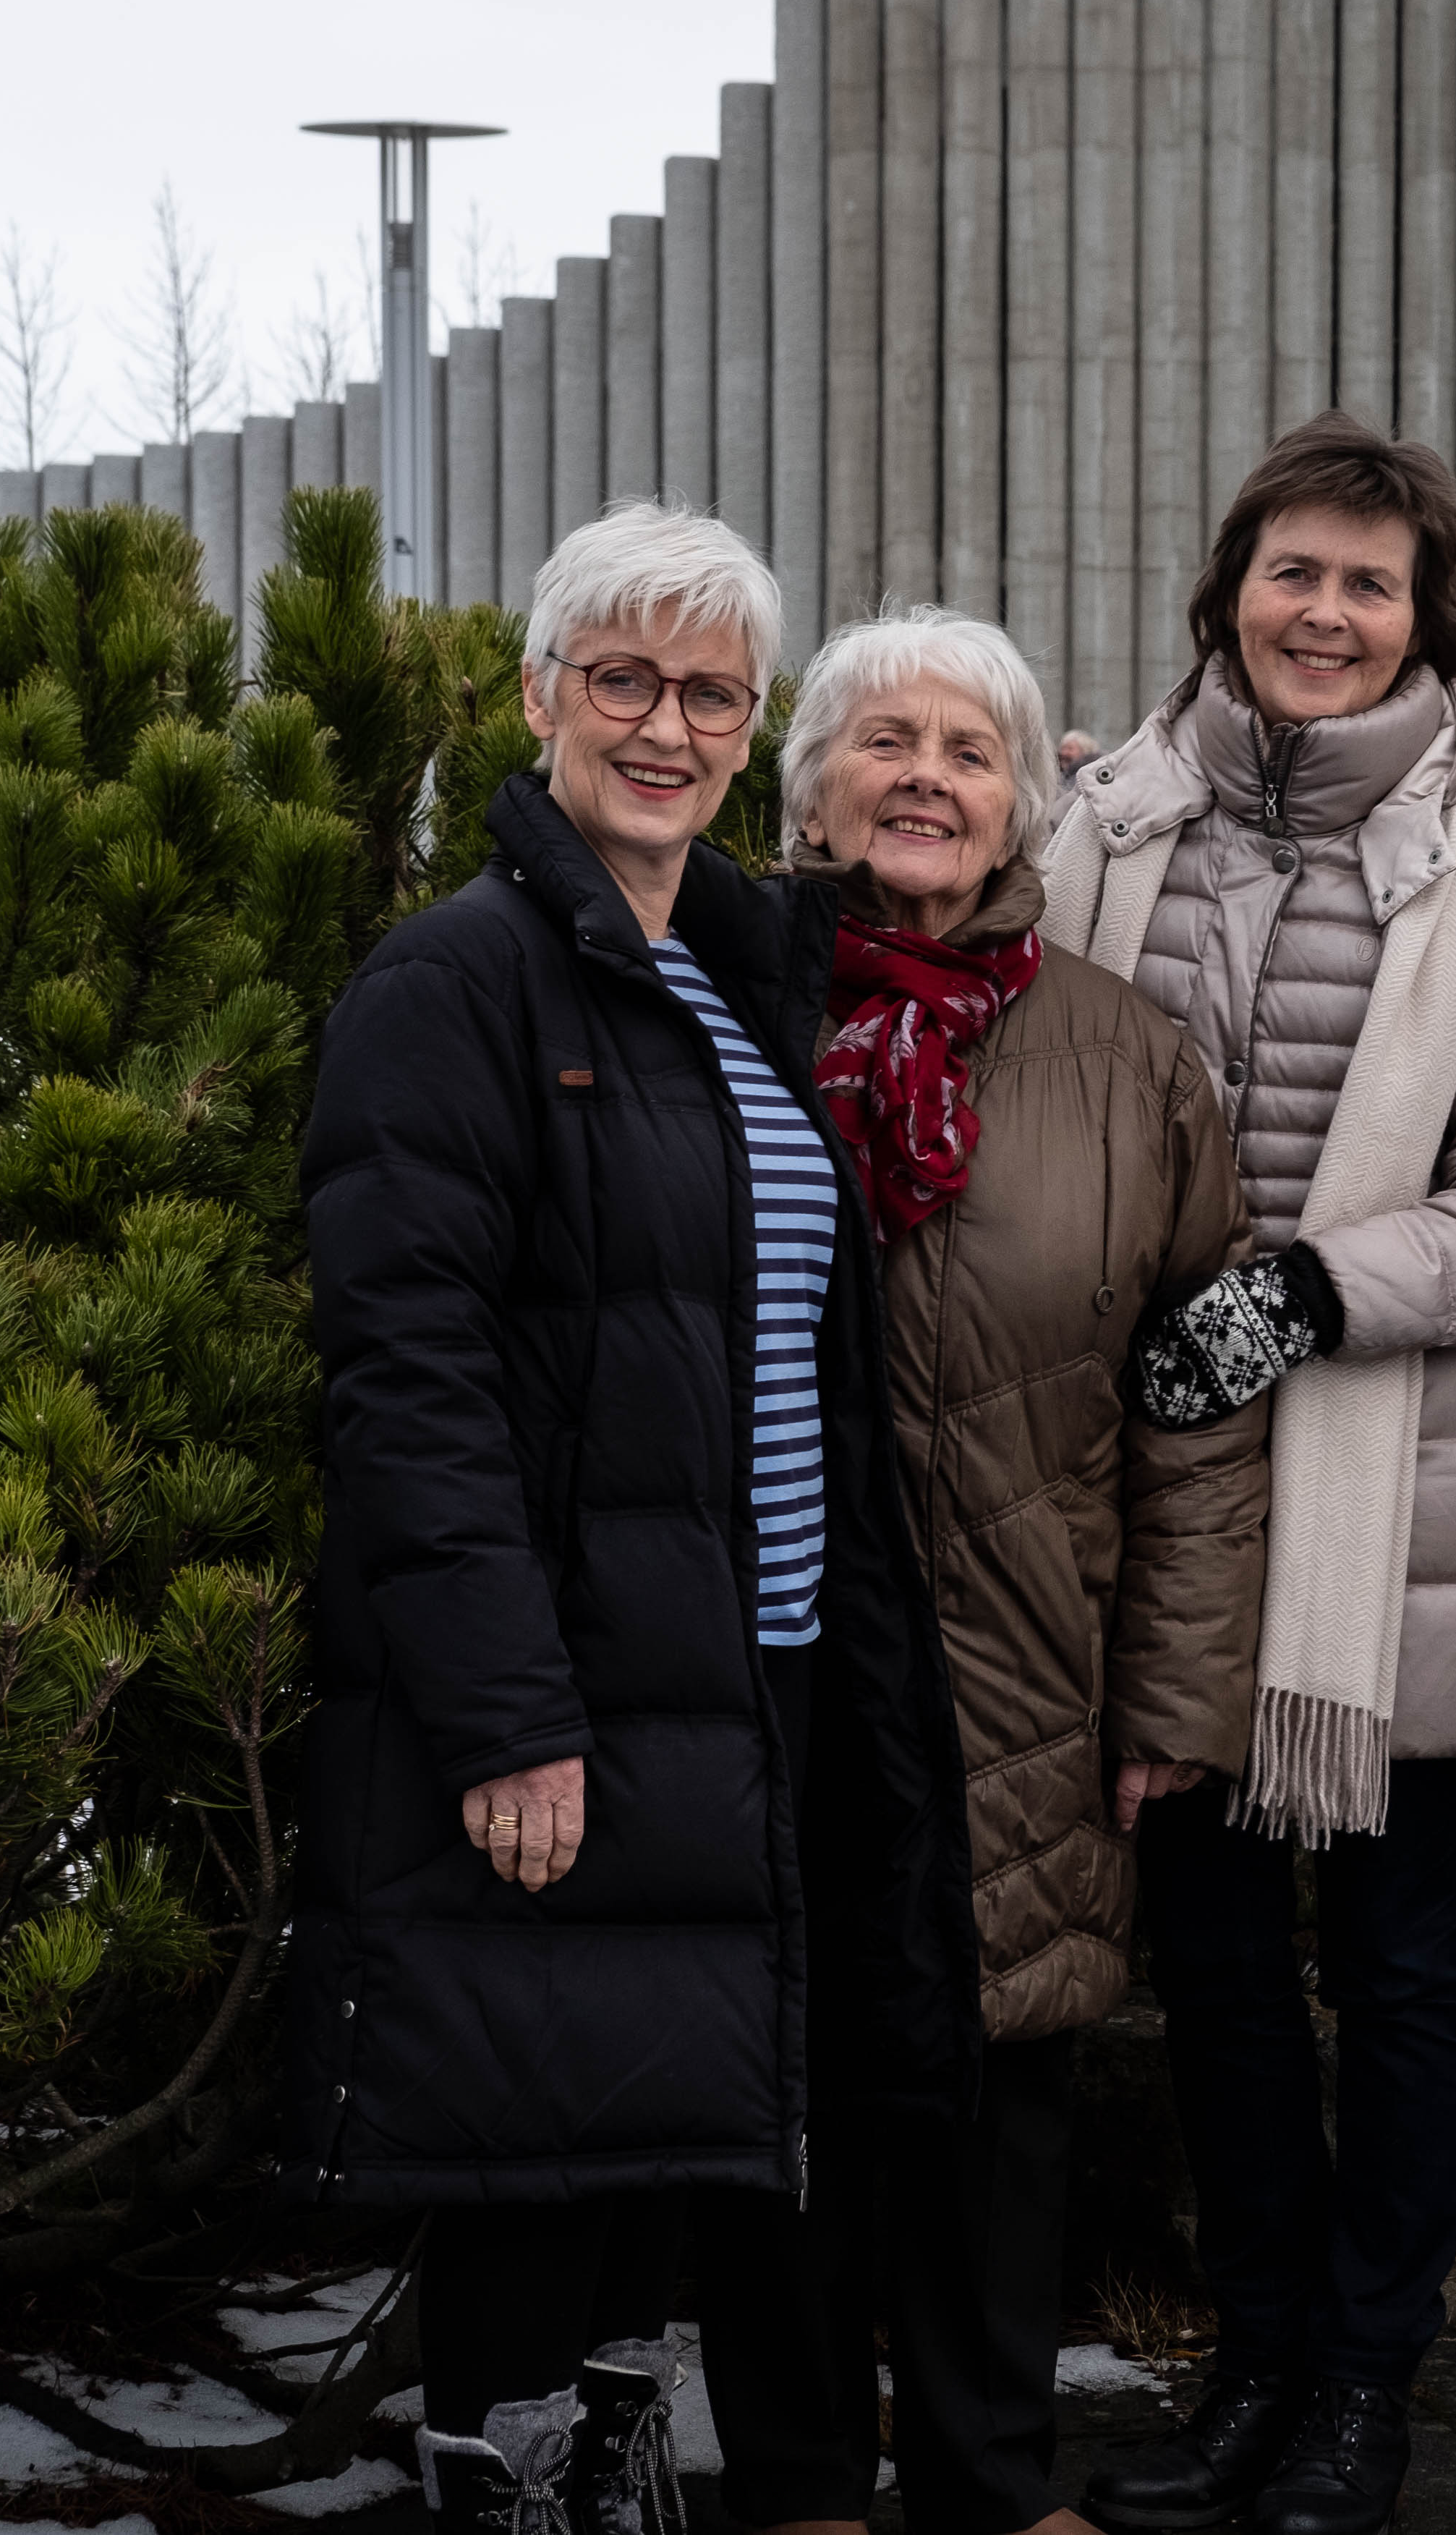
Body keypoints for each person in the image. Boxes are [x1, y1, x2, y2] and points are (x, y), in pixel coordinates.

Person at [282, 505, 978, 2535]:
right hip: (570, 1696)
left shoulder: (736, 977)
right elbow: (408, 1377)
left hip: (751, 1681)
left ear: (752, 728)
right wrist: (507, 1712)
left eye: (712, 694)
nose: (666, 727)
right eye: (623, 680)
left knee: (655, 2158)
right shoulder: (460, 982)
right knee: (533, 2153)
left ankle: (608, 2493)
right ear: (539, 697)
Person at [1047, 413, 1456, 2535]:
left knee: (1393, 1964)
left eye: (1372, 582)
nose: (1328, 613)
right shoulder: (1110, 825)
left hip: (1395, 1496)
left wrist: (1303, 1296)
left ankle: (1364, 2386)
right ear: (1231, 588)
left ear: (1425, 617)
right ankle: (1254, 2360)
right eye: (1296, 571)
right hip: (1159, 1492)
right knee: (1209, 1962)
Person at [688, 608, 1269, 2535]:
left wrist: (1174, 1693)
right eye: (885, 741)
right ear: (809, 788)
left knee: (1002, 2088)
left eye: (969, 748)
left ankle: (988, 2477)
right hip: (771, 1649)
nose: (925, 777)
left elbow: (1201, 1402)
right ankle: (796, 2481)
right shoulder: (714, 1011)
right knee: (781, 2077)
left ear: (1025, 799)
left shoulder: (1124, 1056)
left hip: (1025, 1658)